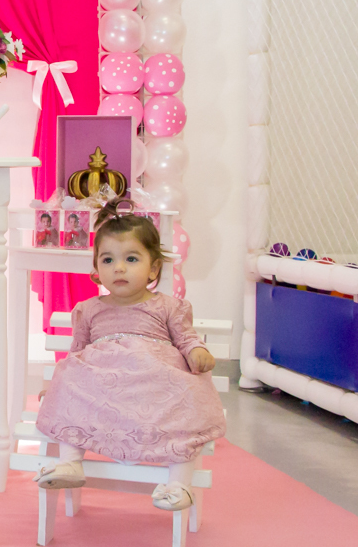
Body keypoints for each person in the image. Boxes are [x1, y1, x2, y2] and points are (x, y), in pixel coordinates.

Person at [33, 199, 225, 512]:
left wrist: (198, 351)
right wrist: (61, 385)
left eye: (131, 259)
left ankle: (179, 484)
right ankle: (70, 465)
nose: (118, 268)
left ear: (153, 267)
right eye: (107, 260)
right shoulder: (89, 310)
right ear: (96, 269)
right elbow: (77, 355)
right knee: (69, 384)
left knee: (185, 408)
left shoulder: (168, 307)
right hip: (103, 387)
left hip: (152, 383)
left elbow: (186, 338)